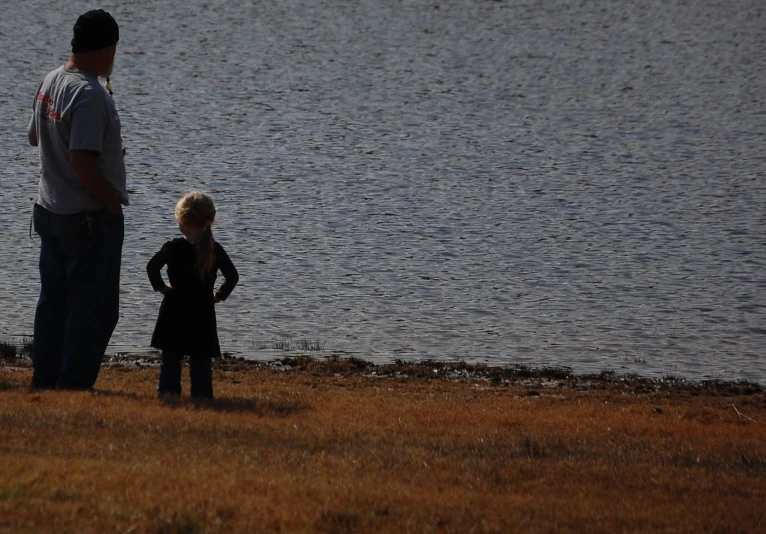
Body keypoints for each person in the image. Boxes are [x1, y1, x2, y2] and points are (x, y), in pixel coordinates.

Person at [27, 9, 127, 390]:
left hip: (48, 208)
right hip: (86, 215)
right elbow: (82, 161)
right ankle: (73, 383)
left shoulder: (52, 79)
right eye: (114, 49)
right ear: (105, 48)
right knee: (95, 307)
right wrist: (110, 202)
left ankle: (45, 377)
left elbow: (34, 137)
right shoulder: (89, 94)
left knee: (54, 300)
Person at [146, 192, 239, 399]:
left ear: (183, 222)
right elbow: (232, 276)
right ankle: (202, 394)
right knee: (201, 356)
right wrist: (219, 296)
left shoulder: (173, 247)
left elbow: (152, 267)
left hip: (174, 309)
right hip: (202, 311)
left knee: (171, 354)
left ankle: (168, 392)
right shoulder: (215, 250)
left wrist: (162, 287)